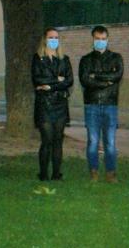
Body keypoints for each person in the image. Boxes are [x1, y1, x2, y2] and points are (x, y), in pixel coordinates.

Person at [78, 25, 124, 182]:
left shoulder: (116, 58)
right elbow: (85, 80)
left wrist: (95, 76)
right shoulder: (85, 60)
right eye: (97, 39)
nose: (100, 41)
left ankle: (111, 173)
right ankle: (94, 172)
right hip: (91, 105)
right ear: (93, 39)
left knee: (110, 142)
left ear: (108, 39)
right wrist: (106, 82)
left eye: (103, 39)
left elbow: (117, 75)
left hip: (110, 105)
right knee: (92, 142)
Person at [31, 27, 73, 181]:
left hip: (60, 104)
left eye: (56, 37)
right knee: (46, 140)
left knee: (57, 141)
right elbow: (37, 80)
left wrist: (50, 85)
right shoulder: (37, 58)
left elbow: (69, 81)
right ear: (45, 39)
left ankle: (56, 174)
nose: (54, 40)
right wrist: (57, 80)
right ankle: (43, 174)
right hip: (44, 105)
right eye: (51, 37)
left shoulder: (64, 59)